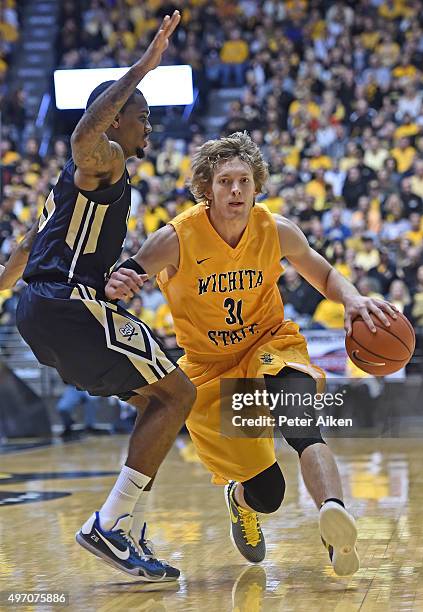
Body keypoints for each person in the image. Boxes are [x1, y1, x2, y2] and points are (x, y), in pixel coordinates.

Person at [106, 132, 398, 576]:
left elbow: (322, 272)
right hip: (209, 371)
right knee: (268, 492)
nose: (236, 190)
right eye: (225, 181)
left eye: (244, 180)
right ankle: (240, 500)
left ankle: (335, 521)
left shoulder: (275, 229)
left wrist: (353, 299)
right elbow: (130, 273)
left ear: (256, 185)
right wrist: (121, 282)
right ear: (207, 188)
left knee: (303, 424)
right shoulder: (176, 238)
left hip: (270, 345)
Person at [0, 12, 196, 582]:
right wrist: (142, 68)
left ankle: (126, 523)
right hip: (67, 305)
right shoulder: (101, 163)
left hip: (39, 313)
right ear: (117, 120)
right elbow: (85, 137)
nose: (150, 126)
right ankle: (109, 524)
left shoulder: (60, 199)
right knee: (179, 393)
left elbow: (13, 266)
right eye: (143, 115)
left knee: (158, 405)